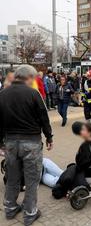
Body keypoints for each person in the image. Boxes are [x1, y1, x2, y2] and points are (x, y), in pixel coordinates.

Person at [0, 65, 53, 225]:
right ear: (28, 77)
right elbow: (44, 118)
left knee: (13, 178)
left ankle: (9, 209)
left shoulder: (2, 95)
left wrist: (0, 143)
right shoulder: (33, 94)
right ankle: (30, 213)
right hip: (31, 143)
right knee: (31, 179)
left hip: (10, 143)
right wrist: (49, 137)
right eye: (33, 78)